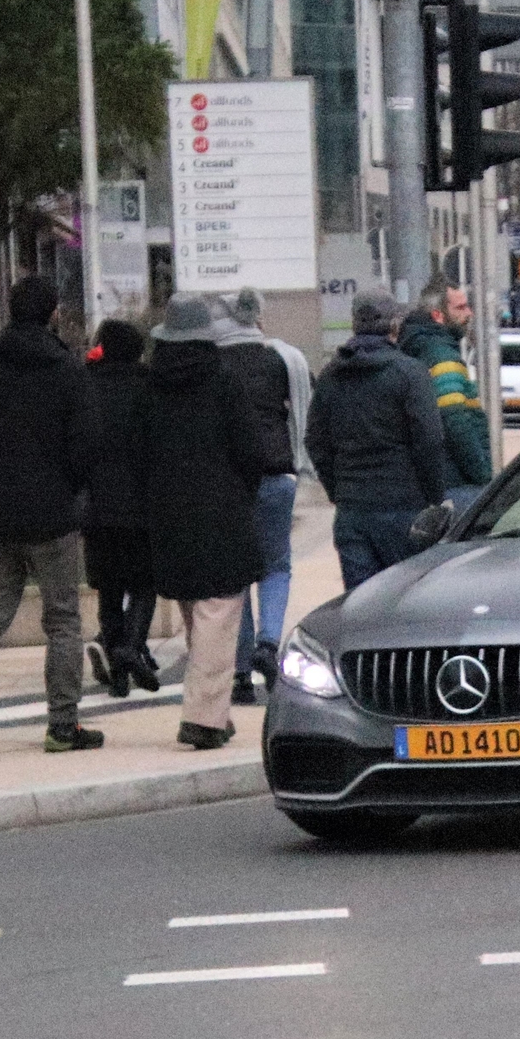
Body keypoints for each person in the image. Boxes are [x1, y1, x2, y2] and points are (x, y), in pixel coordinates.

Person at [0, 275, 102, 759]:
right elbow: (89, 441)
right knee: (63, 620)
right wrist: (67, 485)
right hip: (51, 516)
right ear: (52, 314)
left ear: (8, 309)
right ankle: (63, 726)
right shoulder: (67, 370)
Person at [139, 294, 266, 749]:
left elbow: (139, 451)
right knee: (219, 609)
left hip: (168, 511)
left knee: (197, 608)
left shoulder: (149, 386)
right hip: (220, 509)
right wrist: (243, 490)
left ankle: (212, 708)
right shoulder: (224, 382)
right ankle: (204, 717)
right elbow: (251, 451)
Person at [306, 291, 451, 589]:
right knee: (405, 601)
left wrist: (338, 489)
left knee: (361, 606)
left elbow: (315, 440)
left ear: (354, 324)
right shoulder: (410, 373)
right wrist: (433, 497)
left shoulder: (332, 375)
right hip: (404, 507)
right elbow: (430, 439)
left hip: (352, 510)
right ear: (394, 326)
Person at [214, 286, 315, 705]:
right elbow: (303, 415)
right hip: (276, 474)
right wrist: (301, 468)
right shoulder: (285, 357)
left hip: (228, 482)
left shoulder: (212, 362)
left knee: (235, 574)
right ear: (259, 317)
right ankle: (269, 644)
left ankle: (238, 675)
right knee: (276, 566)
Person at [81, 316, 158, 701]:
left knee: (108, 589)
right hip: (143, 504)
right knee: (146, 583)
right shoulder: (150, 387)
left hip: (96, 505)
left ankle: (117, 668)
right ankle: (131, 645)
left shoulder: (85, 385)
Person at [399, 275, 491, 509]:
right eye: (460, 307)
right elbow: (454, 420)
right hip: (456, 481)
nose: (468, 313)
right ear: (438, 315)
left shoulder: (413, 349)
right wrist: (483, 472)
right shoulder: (442, 356)